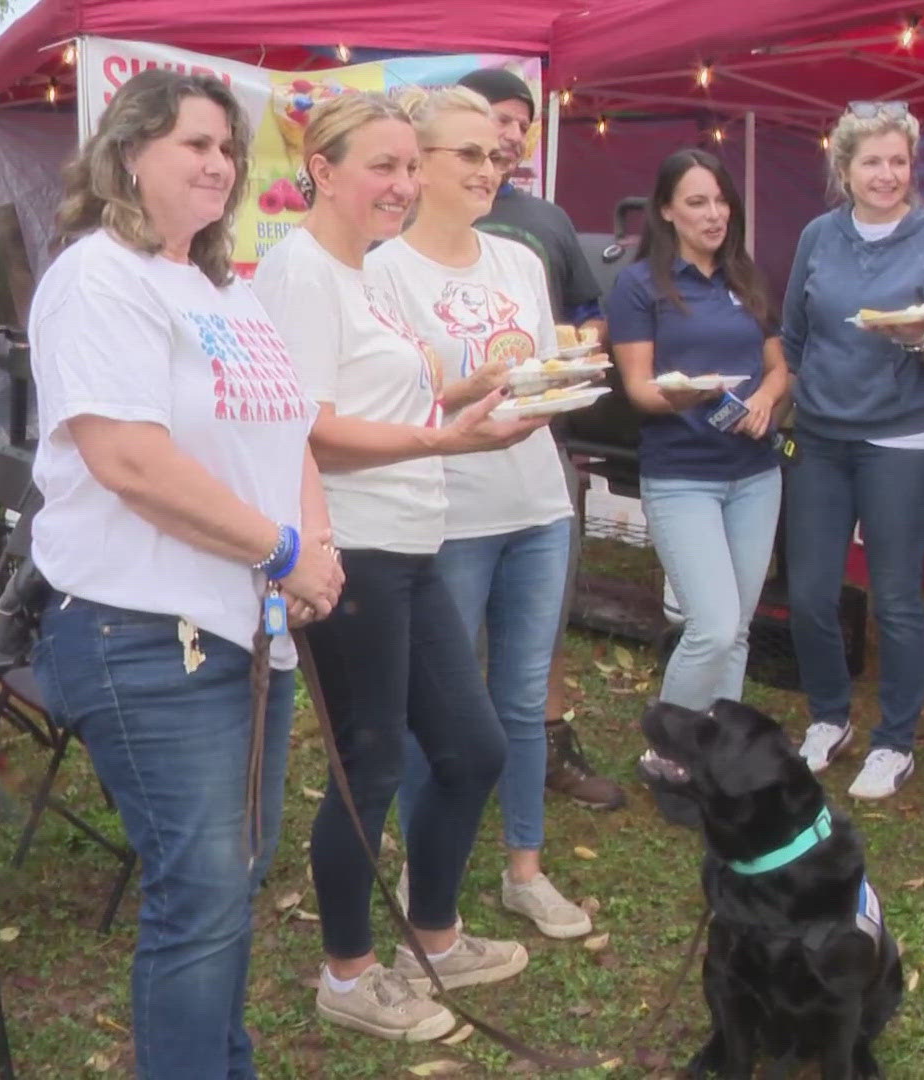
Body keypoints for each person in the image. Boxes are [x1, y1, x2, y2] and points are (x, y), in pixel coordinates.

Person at [26, 69, 344, 1079]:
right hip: (145, 633)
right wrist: (281, 551)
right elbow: (129, 462)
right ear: (128, 154)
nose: (217, 164)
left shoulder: (221, 286)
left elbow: (288, 428)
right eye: (192, 144)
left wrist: (316, 545)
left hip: (246, 627)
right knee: (201, 893)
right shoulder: (98, 277)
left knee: (230, 884)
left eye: (226, 149)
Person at [253, 91, 546, 1042]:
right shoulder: (301, 271)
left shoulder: (366, 272)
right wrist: (445, 440)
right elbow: (304, 430)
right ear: (323, 171)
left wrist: (480, 393)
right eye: (382, 167)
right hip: (353, 550)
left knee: (472, 749)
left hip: (414, 543)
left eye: (408, 168)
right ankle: (348, 974)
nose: (402, 185)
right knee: (369, 765)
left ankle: (434, 932)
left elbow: (389, 392)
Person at [368, 87, 594, 940]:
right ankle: (431, 876)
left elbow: (538, 376)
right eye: (469, 153)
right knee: (440, 708)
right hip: (446, 514)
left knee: (524, 698)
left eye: (496, 155)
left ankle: (525, 870)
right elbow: (386, 400)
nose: (489, 168)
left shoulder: (521, 263)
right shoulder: (384, 270)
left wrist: (566, 383)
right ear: (416, 164)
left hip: (538, 503)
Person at [781, 101, 924, 801]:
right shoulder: (819, 236)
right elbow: (795, 333)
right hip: (823, 434)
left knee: (895, 596)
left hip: (902, 436)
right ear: (845, 168)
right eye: (872, 162)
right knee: (809, 592)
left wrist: (920, 343)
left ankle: (895, 741)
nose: (886, 175)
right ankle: (829, 717)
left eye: (898, 162)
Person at [456, 66, 625, 812]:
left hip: (541, 439)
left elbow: (587, 308)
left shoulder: (545, 223)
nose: (512, 134)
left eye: (523, 123)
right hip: (448, 449)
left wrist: (586, 340)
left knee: (544, 611)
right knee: (450, 632)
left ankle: (547, 744)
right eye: (499, 118)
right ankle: (454, 760)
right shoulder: (413, 221)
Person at [605, 148, 790, 823]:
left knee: (736, 628)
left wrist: (768, 397)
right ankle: (668, 753)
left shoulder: (745, 276)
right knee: (710, 625)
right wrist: (689, 394)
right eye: (697, 203)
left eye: (721, 202)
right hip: (682, 474)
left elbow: (777, 365)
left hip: (754, 473)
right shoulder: (639, 286)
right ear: (665, 210)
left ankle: (719, 755)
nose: (713, 215)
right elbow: (638, 390)